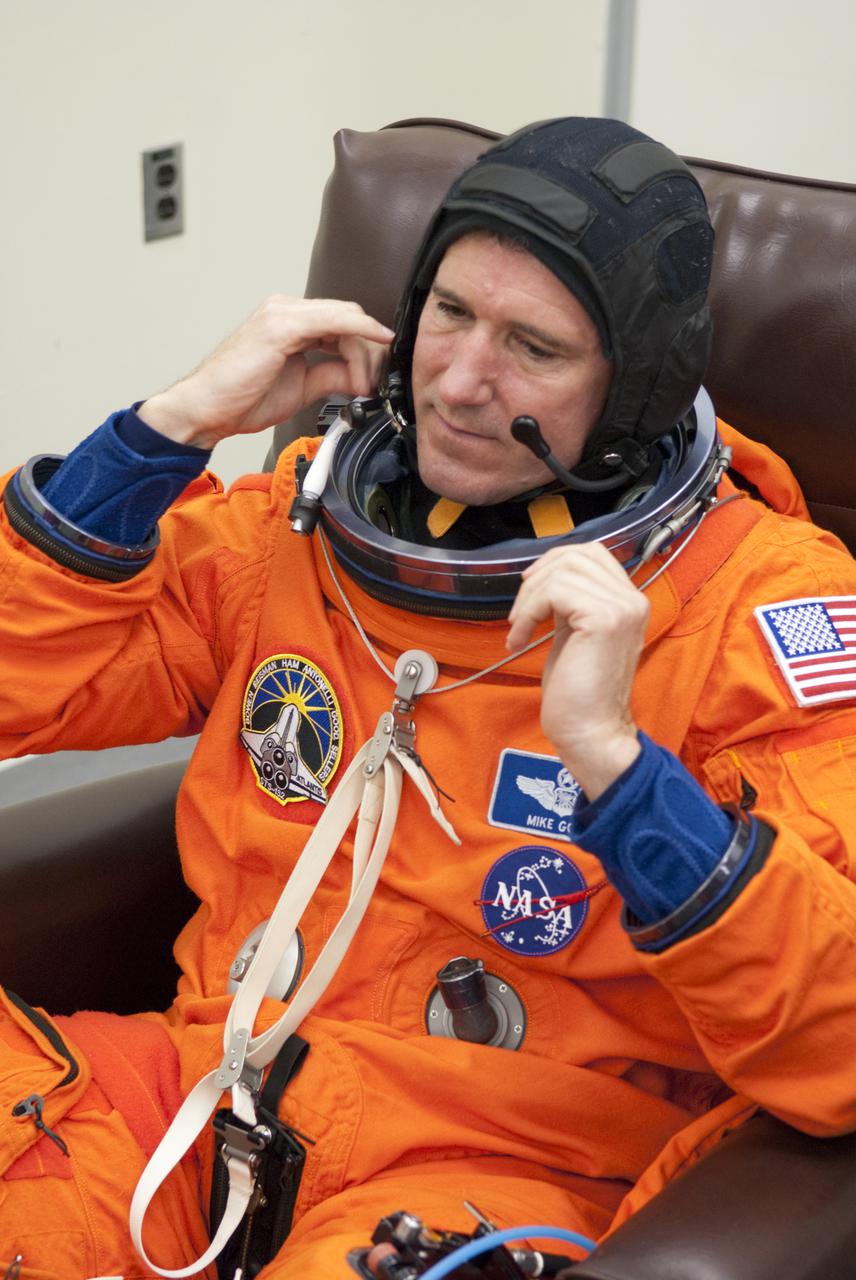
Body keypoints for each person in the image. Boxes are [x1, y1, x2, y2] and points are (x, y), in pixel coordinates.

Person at [2, 116, 856, 1280]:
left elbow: (838, 1040)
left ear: (637, 385)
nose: (458, 380)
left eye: (533, 347)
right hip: (202, 1097)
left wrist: (615, 761)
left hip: (485, 1163)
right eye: (448, 313)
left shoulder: (765, 609)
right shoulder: (305, 519)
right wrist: (168, 429)